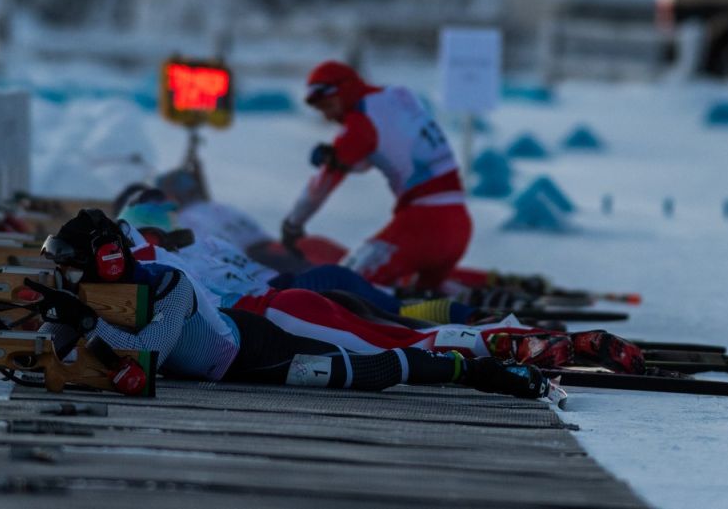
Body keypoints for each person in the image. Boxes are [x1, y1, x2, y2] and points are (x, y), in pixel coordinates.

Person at [40, 209, 547, 398]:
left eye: (73, 264)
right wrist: (46, 332)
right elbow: (61, 346)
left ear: (108, 260)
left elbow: (141, 365)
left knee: (370, 369)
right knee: (388, 323)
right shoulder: (127, 279)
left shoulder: (169, 282)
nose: (70, 275)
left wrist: (85, 324)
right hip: (256, 323)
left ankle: (474, 371)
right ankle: (475, 338)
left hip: (256, 351)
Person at [282, 61, 470, 290]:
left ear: (344, 90)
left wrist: (293, 224)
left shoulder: (359, 124)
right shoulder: (397, 95)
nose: (329, 117)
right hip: (459, 222)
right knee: (422, 293)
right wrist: (342, 157)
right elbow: (389, 149)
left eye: (328, 106)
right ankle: (464, 304)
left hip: (423, 225)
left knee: (341, 286)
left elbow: (321, 186)